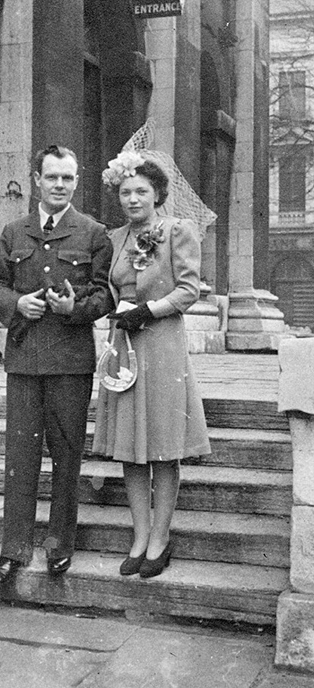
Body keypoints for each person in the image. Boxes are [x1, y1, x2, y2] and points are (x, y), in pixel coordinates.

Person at [0, 144, 113, 586]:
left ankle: (60, 544)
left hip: (70, 364)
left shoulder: (94, 233)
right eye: (52, 177)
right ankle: (14, 548)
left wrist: (73, 308)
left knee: (65, 455)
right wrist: (17, 303)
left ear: (77, 181)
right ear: (36, 179)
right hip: (23, 361)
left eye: (68, 178)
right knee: (20, 457)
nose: (60, 185)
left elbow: (105, 296)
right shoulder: (14, 232)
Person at [92, 150, 211, 578]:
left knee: (161, 443)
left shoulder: (177, 230)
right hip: (123, 341)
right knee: (130, 446)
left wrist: (149, 310)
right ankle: (139, 535)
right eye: (125, 192)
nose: (133, 198)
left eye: (141, 191)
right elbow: (109, 288)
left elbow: (189, 290)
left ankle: (161, 538)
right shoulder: (113, 237)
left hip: (160, 342)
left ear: (158, 193)